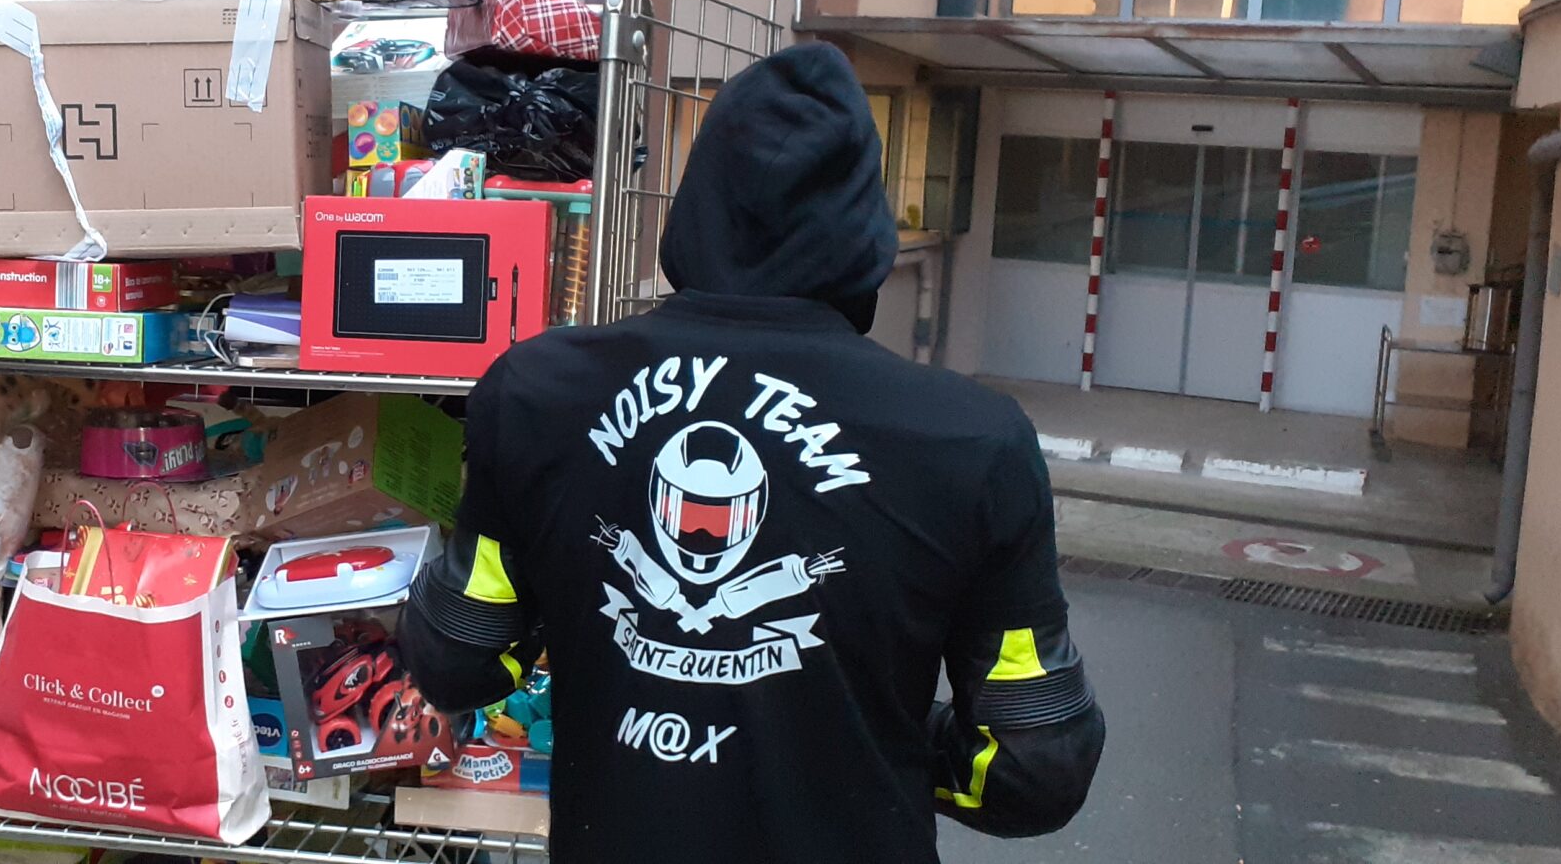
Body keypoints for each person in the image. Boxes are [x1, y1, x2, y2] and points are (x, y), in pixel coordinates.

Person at [402, 43, 1105, 863]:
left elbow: (457, 661)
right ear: (865, 232)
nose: (702, 537)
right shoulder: (971, 441)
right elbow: (1034, 765)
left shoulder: (533, 394)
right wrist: (886, 741)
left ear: (695, 206)